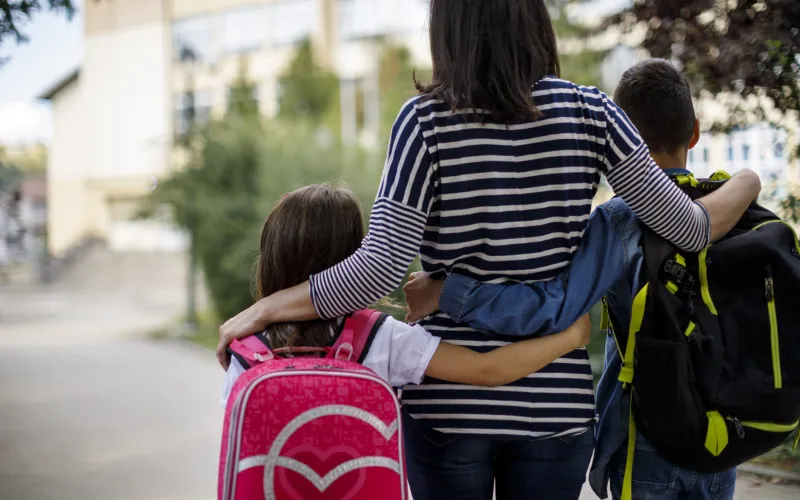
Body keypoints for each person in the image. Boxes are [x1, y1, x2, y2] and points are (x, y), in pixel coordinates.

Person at [217, 2, 760, 498]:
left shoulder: (424, 122)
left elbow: (377, 272)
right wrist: (750, 180)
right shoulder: (594, 115)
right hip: (555, 407)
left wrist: (266, 307)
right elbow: (690, 230)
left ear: (448, 30)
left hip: (450, 412)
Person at [403, 59, 750, 500]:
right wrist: (749, 180)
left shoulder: (622, 222)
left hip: (649, 436)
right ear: (695, 132)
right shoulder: (734, 209)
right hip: (725, 437)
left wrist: (446, 292)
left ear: (625, 141)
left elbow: (554, 305)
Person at [219, 183, 591, 408]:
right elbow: (488, 369)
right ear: (353, 258)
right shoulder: (379, 338)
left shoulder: (247, 350)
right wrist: (571, 337)